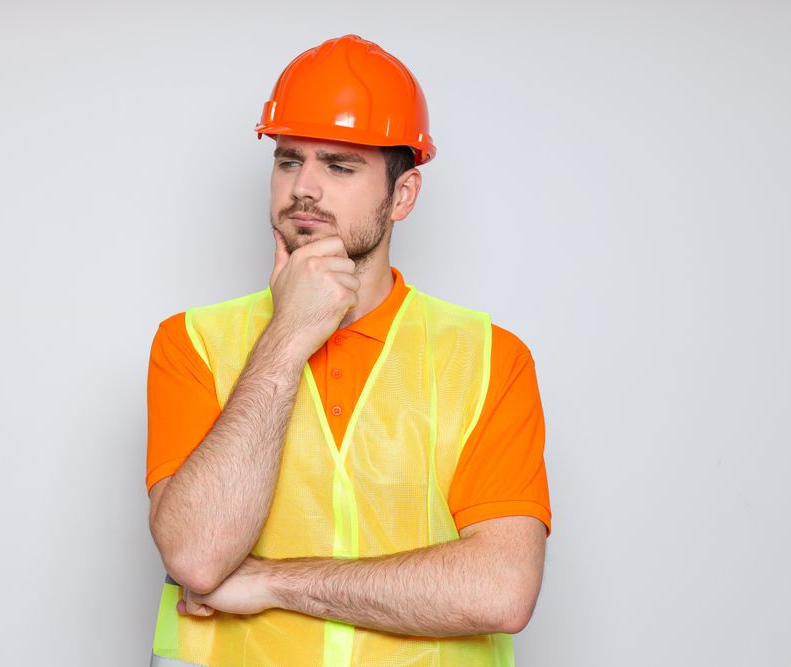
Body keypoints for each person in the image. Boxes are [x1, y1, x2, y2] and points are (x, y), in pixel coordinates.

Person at [145, 34, 552, 667]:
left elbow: (501, 589)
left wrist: (277, 581)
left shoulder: (489, 359)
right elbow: (197, 555)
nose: (303, 188)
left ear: (404, 195)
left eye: (339, 165)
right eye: (287, 159)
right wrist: (285, 338)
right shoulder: (194, 343)